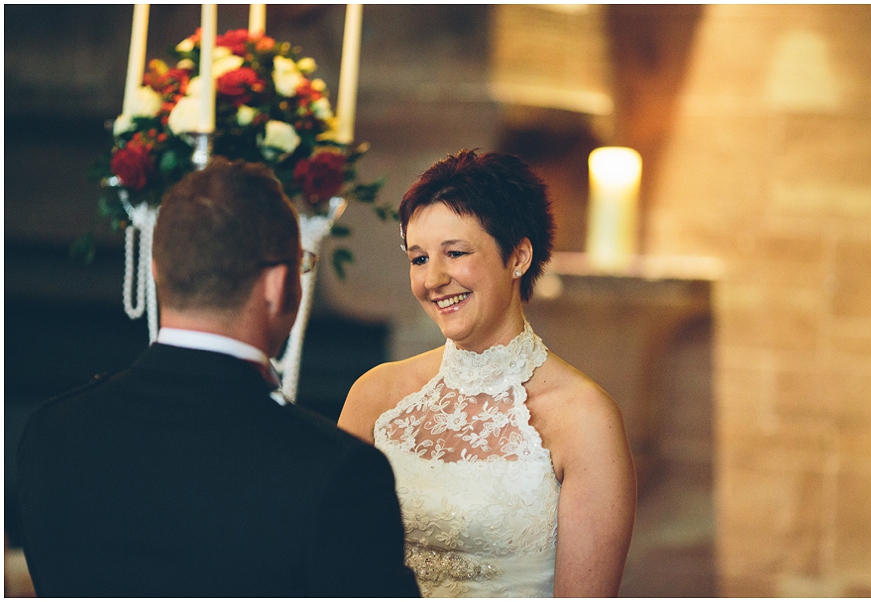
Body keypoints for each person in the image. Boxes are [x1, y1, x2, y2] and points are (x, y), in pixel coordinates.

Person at [15, 158, 420, 597]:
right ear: (277, 284)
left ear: (156, 270)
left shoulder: (49, 433)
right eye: (302, 265)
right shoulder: (338, 473)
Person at [339, 149, 637, 597]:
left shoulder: (584, 417)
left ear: (518, 257)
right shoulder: (375, 396)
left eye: (454, 253)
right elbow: (332, 562)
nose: (432, 279)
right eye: (418, 259)